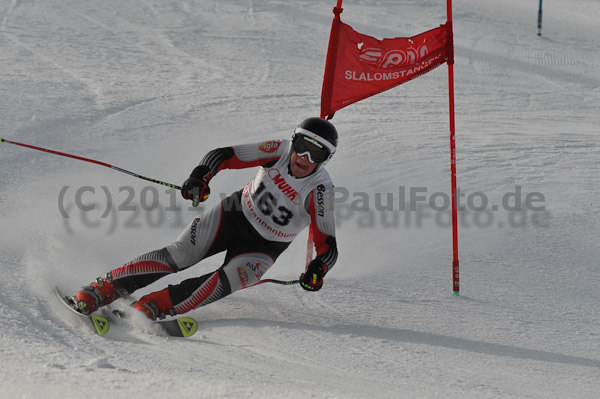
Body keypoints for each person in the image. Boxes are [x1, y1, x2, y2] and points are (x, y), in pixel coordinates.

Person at [71, 117, 339, 320]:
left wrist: (317, 270)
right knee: (182, 254)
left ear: (324, 160)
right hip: (235, 215)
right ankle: (100, 290)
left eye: (316, 154)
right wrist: (200, 177)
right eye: (303, 146)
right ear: (293, 142)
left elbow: (328, 246)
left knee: (229, 281)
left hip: (265, 246)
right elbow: (222, 156)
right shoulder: (277, 151)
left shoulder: (320, 191)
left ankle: (153, 306)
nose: (304, 158)